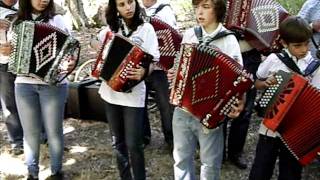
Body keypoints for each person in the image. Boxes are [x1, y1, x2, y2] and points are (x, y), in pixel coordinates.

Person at [168, 0, 244, 179]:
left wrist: (239, 100)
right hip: (183, 108)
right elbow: (180, 66)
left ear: (217, 10)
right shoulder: (189, 35)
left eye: (206, 7)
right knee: (181, 158)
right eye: (197, 7)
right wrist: (174, 73)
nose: (199, 12)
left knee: (210, 163)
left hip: (210, 113)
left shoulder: (228, 39)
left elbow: (239, 79)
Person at [8, 0, 75, 179]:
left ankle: (57, 172)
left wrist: (68, 63)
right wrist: (6, 51)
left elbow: (71, 49)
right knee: (30, 134)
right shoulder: (17, 23)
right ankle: (32, 174)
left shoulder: (58, 20)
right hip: (24, 84)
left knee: (54, 131)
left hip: (53, 85)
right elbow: (8, 54)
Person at [95, 0, 160, 179]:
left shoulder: (146, 29)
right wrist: (98, 50)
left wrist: (144, 71)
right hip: (110, 94)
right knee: (118, 143)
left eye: (130, 2)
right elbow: (95, 43)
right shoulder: (111, 29)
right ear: (115, 8)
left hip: (134, 95)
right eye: (122, 4)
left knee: (134, 144)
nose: (127, 8)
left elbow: (154, 60)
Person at [249, 16, 318, 180]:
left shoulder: (313, 66)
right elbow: (256, 82)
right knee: (261, 167)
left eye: (307, 43)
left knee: (291, 172)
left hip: (296, 129)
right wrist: (266, 83)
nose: (304, 49)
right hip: (270, 126)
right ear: (284, 44)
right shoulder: (274, 60)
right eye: (297, 45)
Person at [141, 0, 177, 147]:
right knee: (139, 103)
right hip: (141, 66)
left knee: (166, 105)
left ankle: (171, 139)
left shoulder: (165, 11)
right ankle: (144, 137)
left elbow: (175, 39)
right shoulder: (134, 9)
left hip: (161, 69)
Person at [223, 40, 261, 169]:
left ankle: (236, 153)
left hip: (250, 54)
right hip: (224, 54)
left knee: (245, 110)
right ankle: (218, 152)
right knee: (220, 106)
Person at [0, 0, 24, 156]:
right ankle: (17, 141)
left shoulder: (24, 6)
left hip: (24, 61)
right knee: (9, 104)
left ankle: (41, 136)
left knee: (31, 100)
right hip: (3, 63)